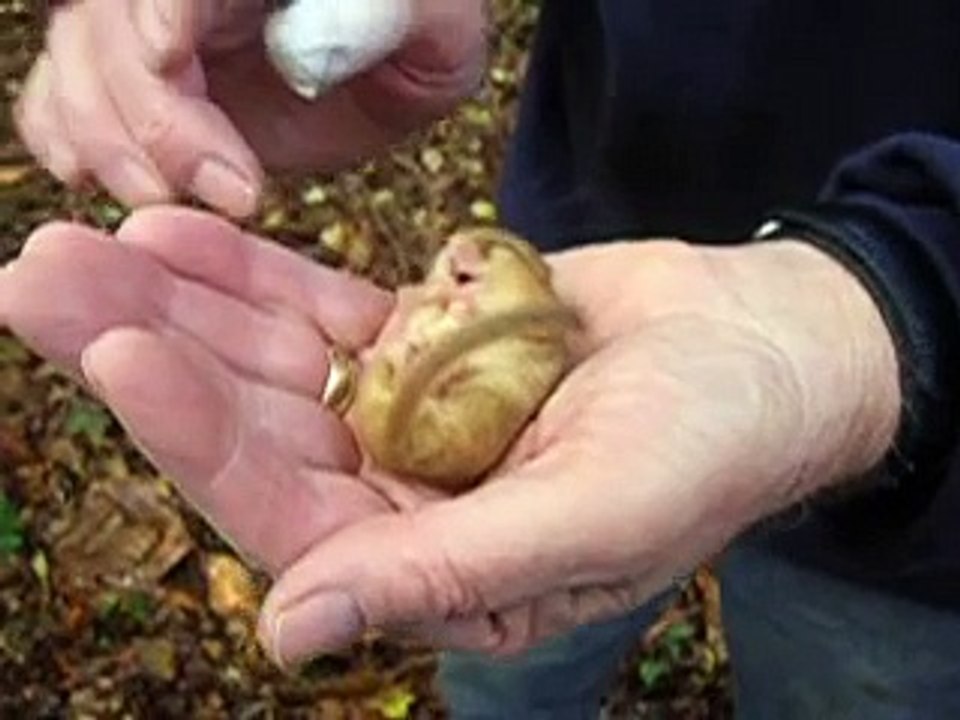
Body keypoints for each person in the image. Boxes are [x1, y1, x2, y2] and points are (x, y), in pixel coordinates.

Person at [4, 1, 960, 717]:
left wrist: (891, 299)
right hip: (595, 220)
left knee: (841, 684)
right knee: (512, 659)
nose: (423, 304)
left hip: (915, 472)